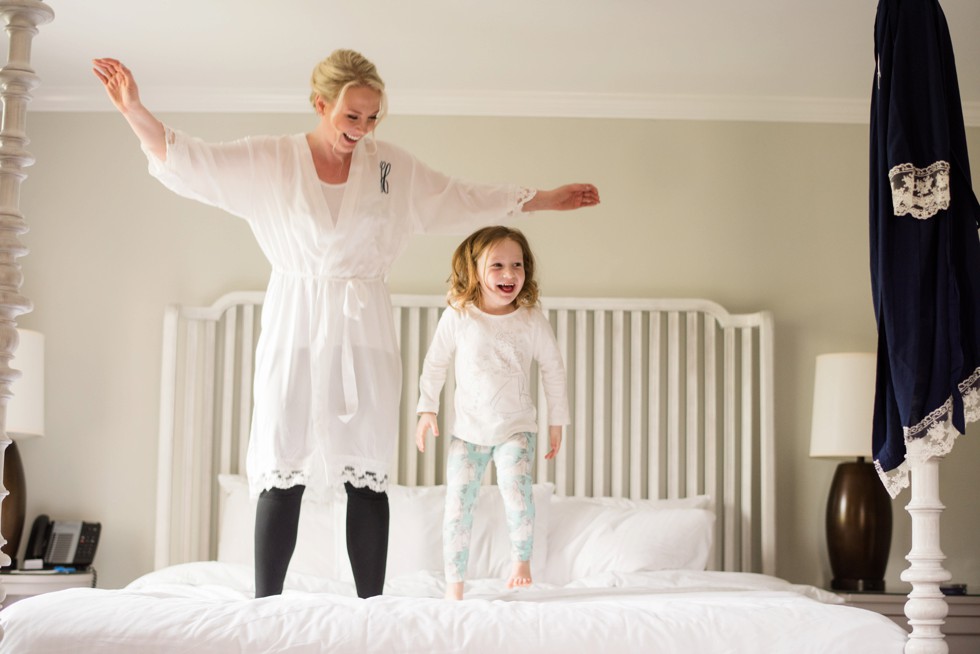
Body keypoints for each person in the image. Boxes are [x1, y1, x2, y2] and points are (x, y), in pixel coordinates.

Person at [92, 50, 598, 600]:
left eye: (373, 117)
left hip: (365, 330)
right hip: (296, 324)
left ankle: (370, 611)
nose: (363, 129)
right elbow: (195, 161)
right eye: (352, 116)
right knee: (282, 469)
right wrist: (134, 111)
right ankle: (267, 609)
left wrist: (543, 199)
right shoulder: (275, 160)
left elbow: (459, 197)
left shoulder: (390, 169)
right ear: (320, 105)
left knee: (366, 473)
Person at [415, 225, 568, 600]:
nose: (509, 274)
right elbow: (435, 363)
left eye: (517, 265)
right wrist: (426, 409)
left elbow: (553, 367)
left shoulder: (531, 319)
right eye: (497, 265)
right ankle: (454, 584)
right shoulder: (459, 315)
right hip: (467, 431)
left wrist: (556, 421)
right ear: (474, 269)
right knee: (457, 505)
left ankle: (521, 561)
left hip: (516, 426)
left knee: (516, 493)